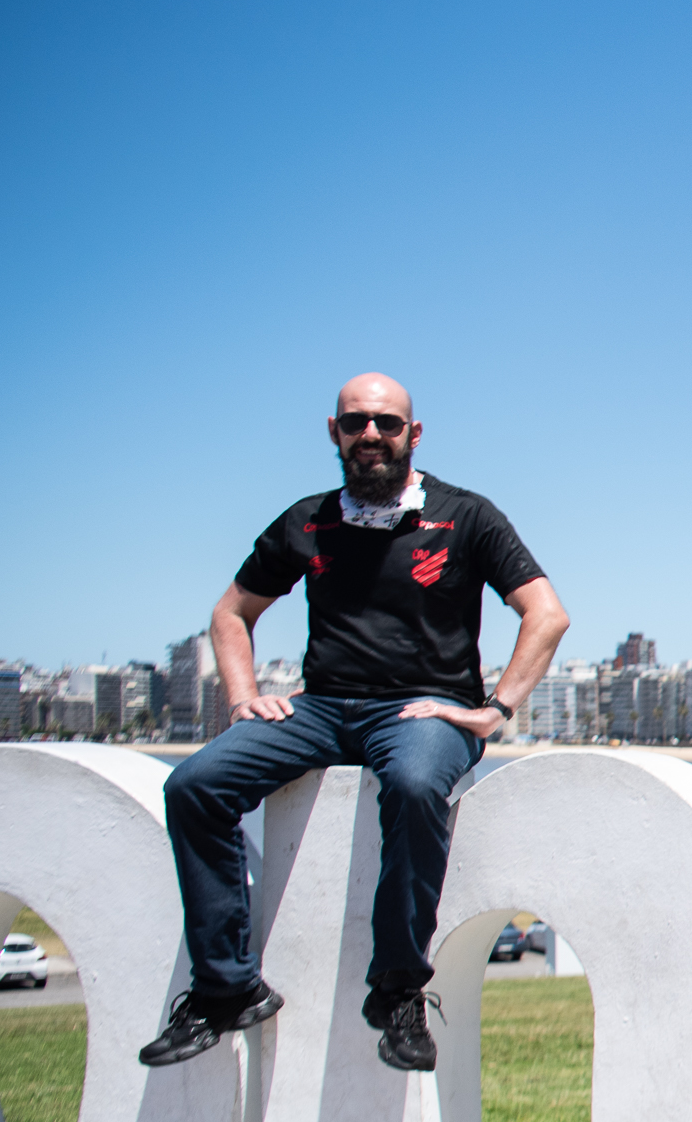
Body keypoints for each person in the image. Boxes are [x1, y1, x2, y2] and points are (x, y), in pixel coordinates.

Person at [138, 374, 569, 1072]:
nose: (372, 435)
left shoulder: (466, 516)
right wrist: (245, 695)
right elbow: (230, 614)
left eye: (388, 424)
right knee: (195, 784)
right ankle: (225, 989)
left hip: (422, 710)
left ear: (414, 435)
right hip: (319, 710)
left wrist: (493, 709)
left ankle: (398, 991)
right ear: (335, 432)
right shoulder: (308, 522)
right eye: (357, 422)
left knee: (415, 781)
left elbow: (546, 613)